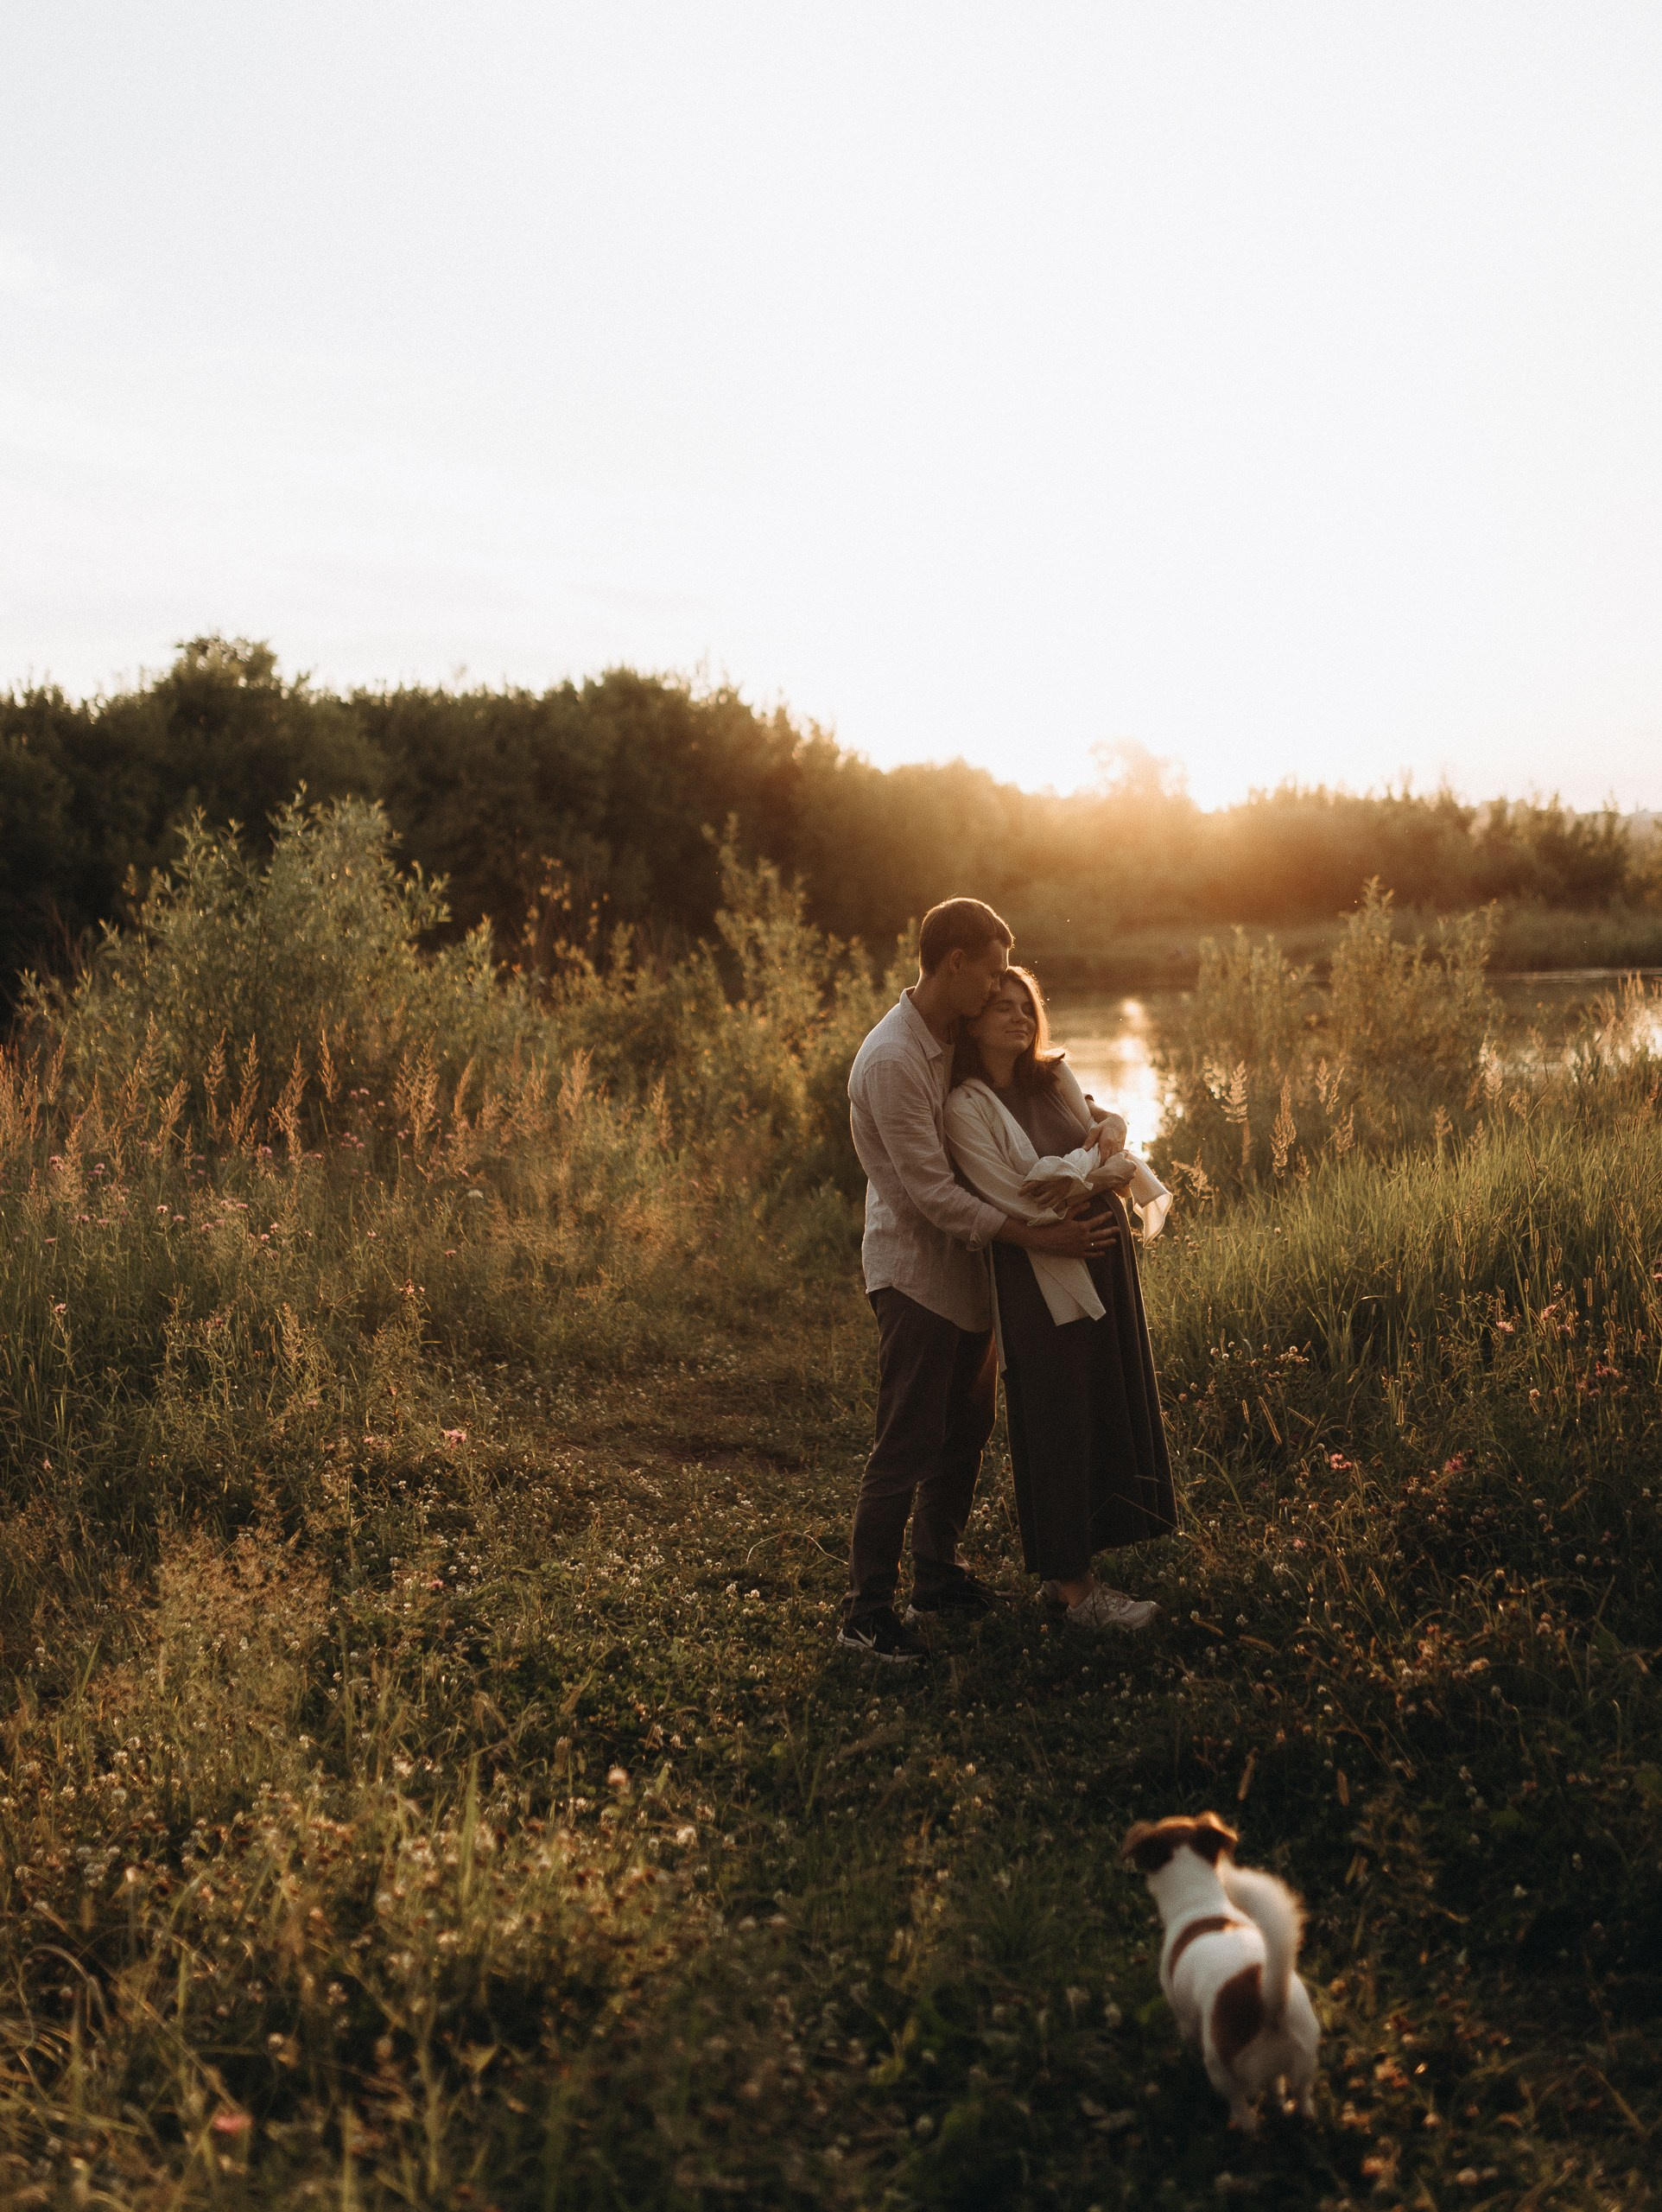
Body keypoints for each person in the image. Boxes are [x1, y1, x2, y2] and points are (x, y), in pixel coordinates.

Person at [841, 899, 1124, 1663]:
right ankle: (866, 1613)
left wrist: (1101, 1117)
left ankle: (938, 1578)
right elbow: (931, 1194)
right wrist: (1042, 1235)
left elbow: (1019, 1093)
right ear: (955, 964)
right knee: (906, 1442)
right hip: (917, 1275)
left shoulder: (947, 1035)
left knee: (964, 1435)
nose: (1002, 987)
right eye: (993, 972)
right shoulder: (896, 1058)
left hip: (973, 1275)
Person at [943, 967, 1176, 1633]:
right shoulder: (966, 1104)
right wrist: (1104, 1171)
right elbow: (1014, 1195)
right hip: (1041, 1270)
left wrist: (1106, 1148)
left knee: (1106, 1396)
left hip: (1104, 1258)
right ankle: (1074, 1587)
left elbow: (1098, 1140)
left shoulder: (1056, 1077)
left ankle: (1084, 1562)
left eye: (1026, 1006)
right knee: (1056, 1412)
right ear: (973, 1020)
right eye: (1001, 1007)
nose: (1018, 1017)